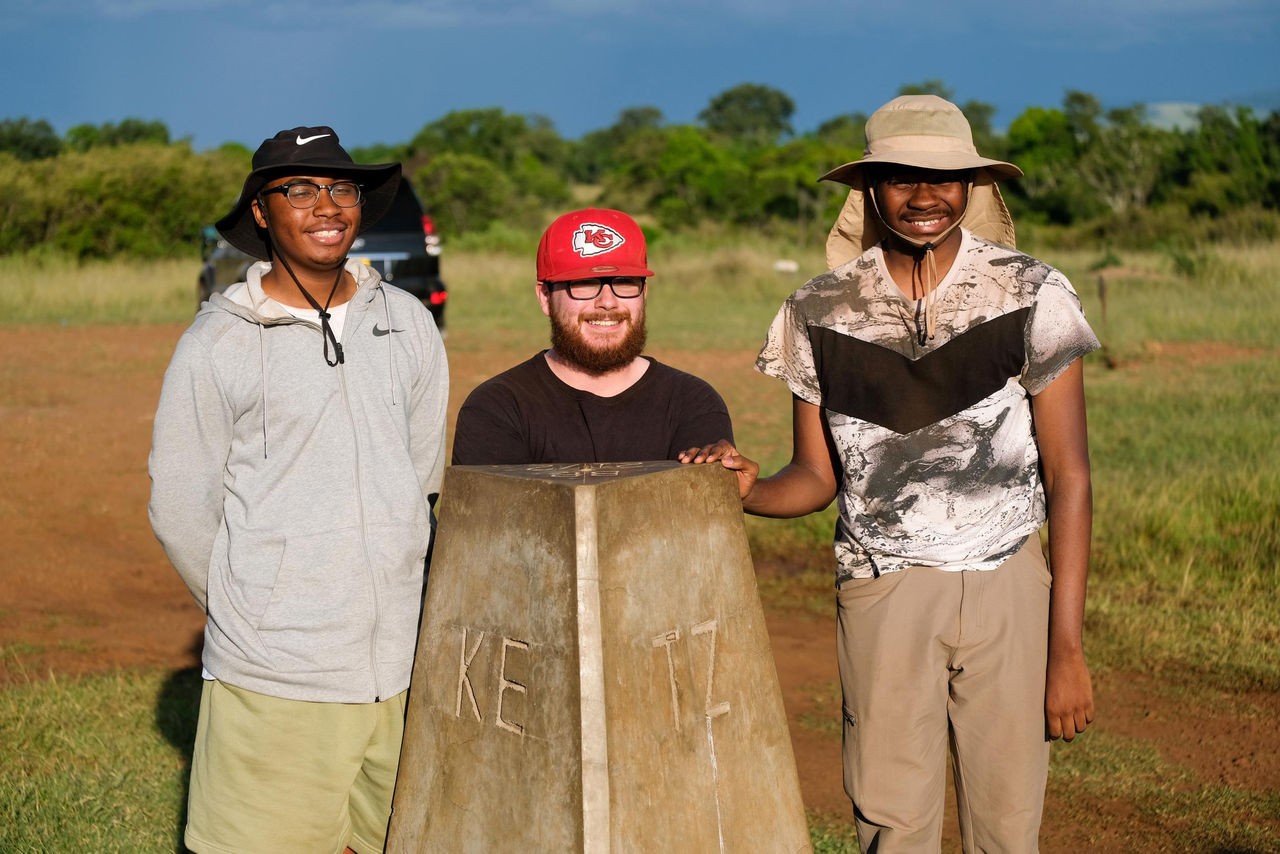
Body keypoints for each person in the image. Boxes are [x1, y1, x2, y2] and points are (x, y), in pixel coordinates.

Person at [683, 95, 1098, 852]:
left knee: (1007, 827)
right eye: (901, 178)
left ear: (972, 185)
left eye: (943, 178)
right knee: (890, 824)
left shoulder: (1032, 292)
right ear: (870, 189)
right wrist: (748, 487)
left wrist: (1064, 647)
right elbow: (815, 475)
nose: (924, 196)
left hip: (1009, 582)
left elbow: (1070, 477)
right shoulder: (820, 310)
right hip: (882, 585)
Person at [148, 126, 448, 854]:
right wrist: (257, 614)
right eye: (300, 189)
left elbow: (425, 480)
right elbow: (181, 508)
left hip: (402, 670)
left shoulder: (406, 322)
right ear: (260, 210)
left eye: (340, 189)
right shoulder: (216, 342)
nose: (326, 206)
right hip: (275, 679)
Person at [451, 207, 732, 465]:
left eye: (624, 283)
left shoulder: (693, 403)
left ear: (644, 293)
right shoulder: (498, 408)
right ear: (545, 297)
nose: (607, 302)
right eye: (584, 284)